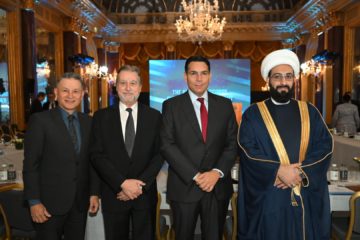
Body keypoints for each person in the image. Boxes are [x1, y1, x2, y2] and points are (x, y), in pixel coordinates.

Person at [237, 49, 333, 240]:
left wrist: (299, 172)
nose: (283, 82)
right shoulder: (253, 113)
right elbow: (247, 149)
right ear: (268, 80)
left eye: (288, 76)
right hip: (270, 194)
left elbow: (325, 147)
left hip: (303, 191)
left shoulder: (310, 112)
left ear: (294, 79)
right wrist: (278, 170)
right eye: (277, 77)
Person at [160, 56, 238, 240]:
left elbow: (232, 143)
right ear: (185, 76)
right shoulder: (171, 106)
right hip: (184, 186)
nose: (199, 78)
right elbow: (166, 145)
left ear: (210, 76)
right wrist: (195, 176)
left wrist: (216, 172)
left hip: (217, 186)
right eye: (193, 73)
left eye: (203, 73)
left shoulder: (225, 105)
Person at [23, 72, 100, 240]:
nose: (70, 96)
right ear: (56, 93)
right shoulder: (40, 121)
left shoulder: (89, 122)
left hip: (79, 203)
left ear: (82, 94)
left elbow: (91, 162)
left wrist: (94, 193)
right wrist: (34, 201)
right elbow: (31, 165)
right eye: (65, 91)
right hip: (47, 205)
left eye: (75, 91)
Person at [90, 65, 163, 240]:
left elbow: (159, 154)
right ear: (116, 87)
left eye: (133, 83)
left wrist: (139, 186)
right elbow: (96, 155)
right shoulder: (101, 117)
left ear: (140, 86)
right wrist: (122, 183)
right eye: (123, 83)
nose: (128, 88)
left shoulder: (155, 116)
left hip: (144, 195)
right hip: (114, 194)